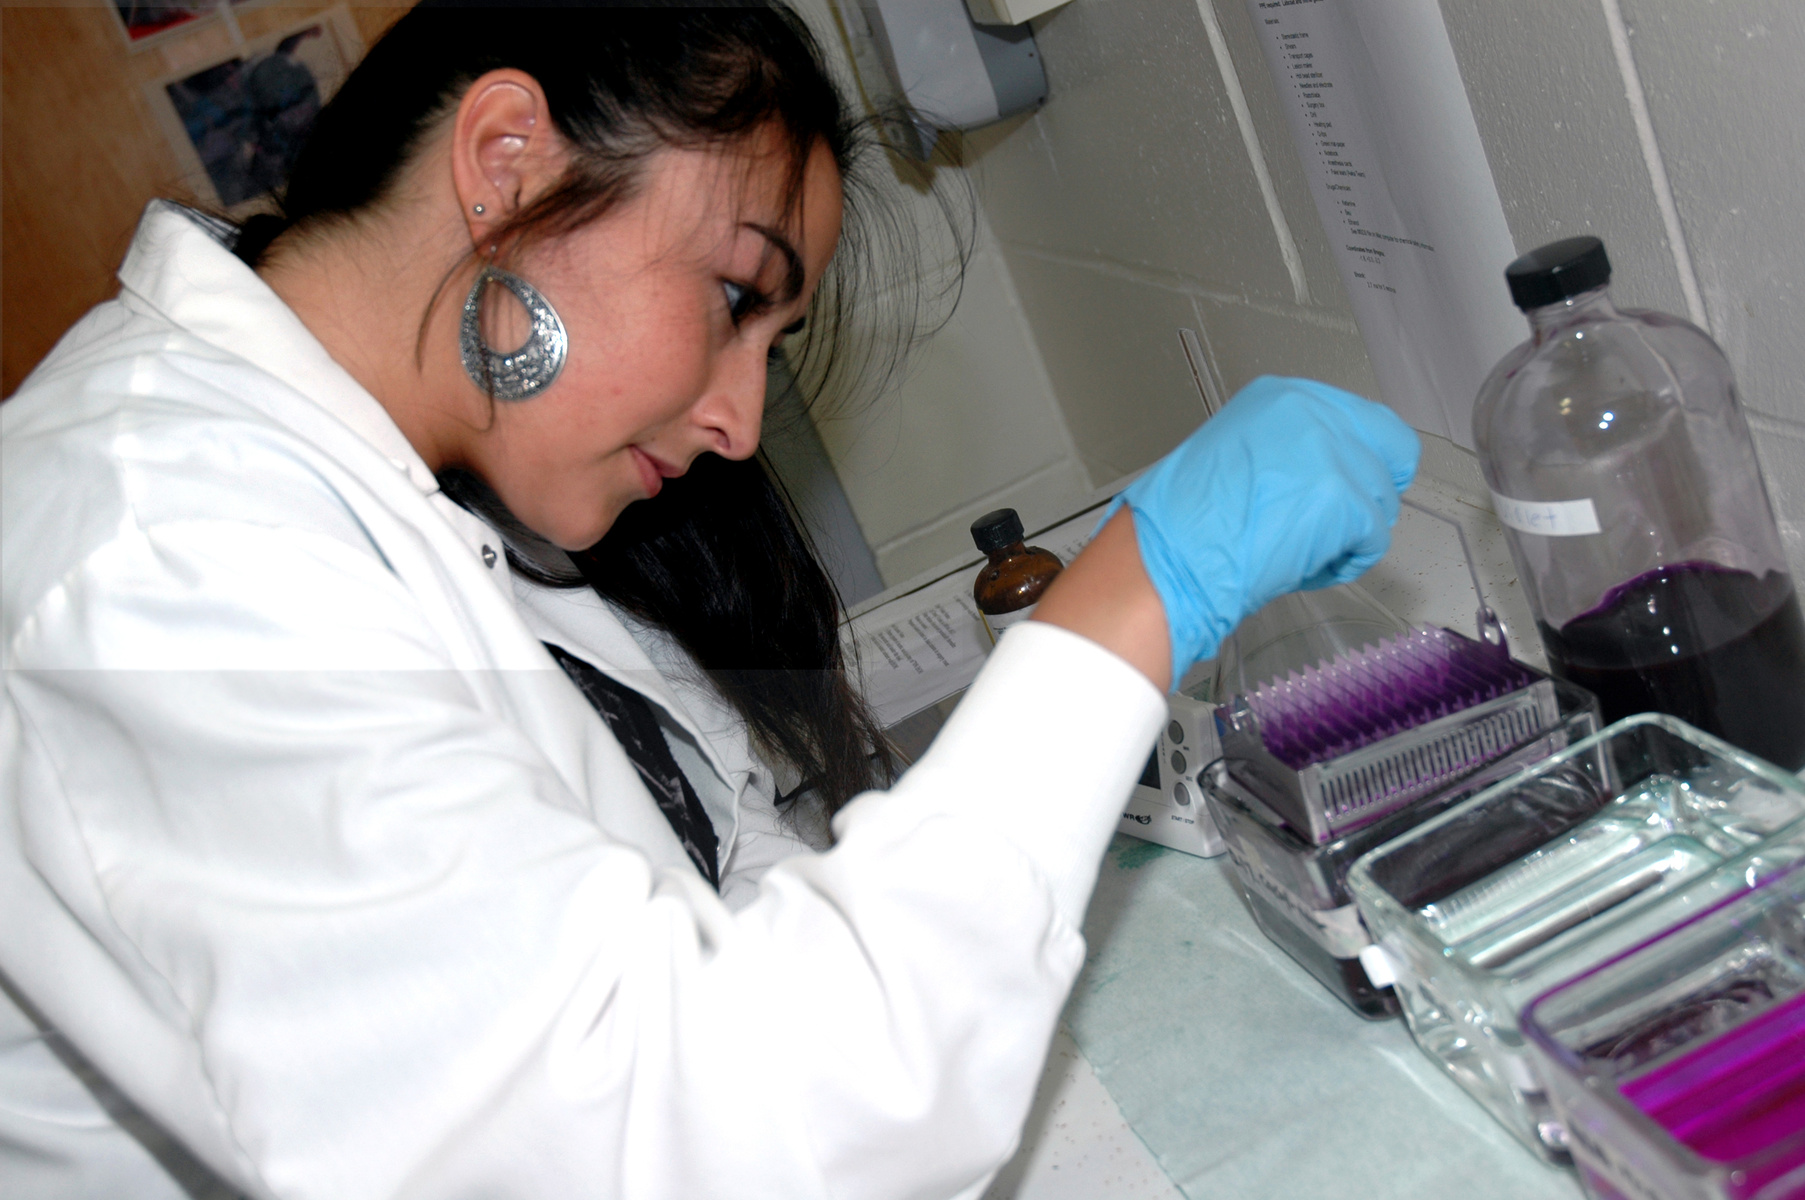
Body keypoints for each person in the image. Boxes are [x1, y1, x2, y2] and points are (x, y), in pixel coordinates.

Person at [0, 3, 1419, 1198]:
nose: (741, 420)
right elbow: (660, 1143)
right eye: (737, 295)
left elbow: (717, 907)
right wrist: (1132, 597)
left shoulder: (390, 499)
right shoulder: (160, 555)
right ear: (503, 160)